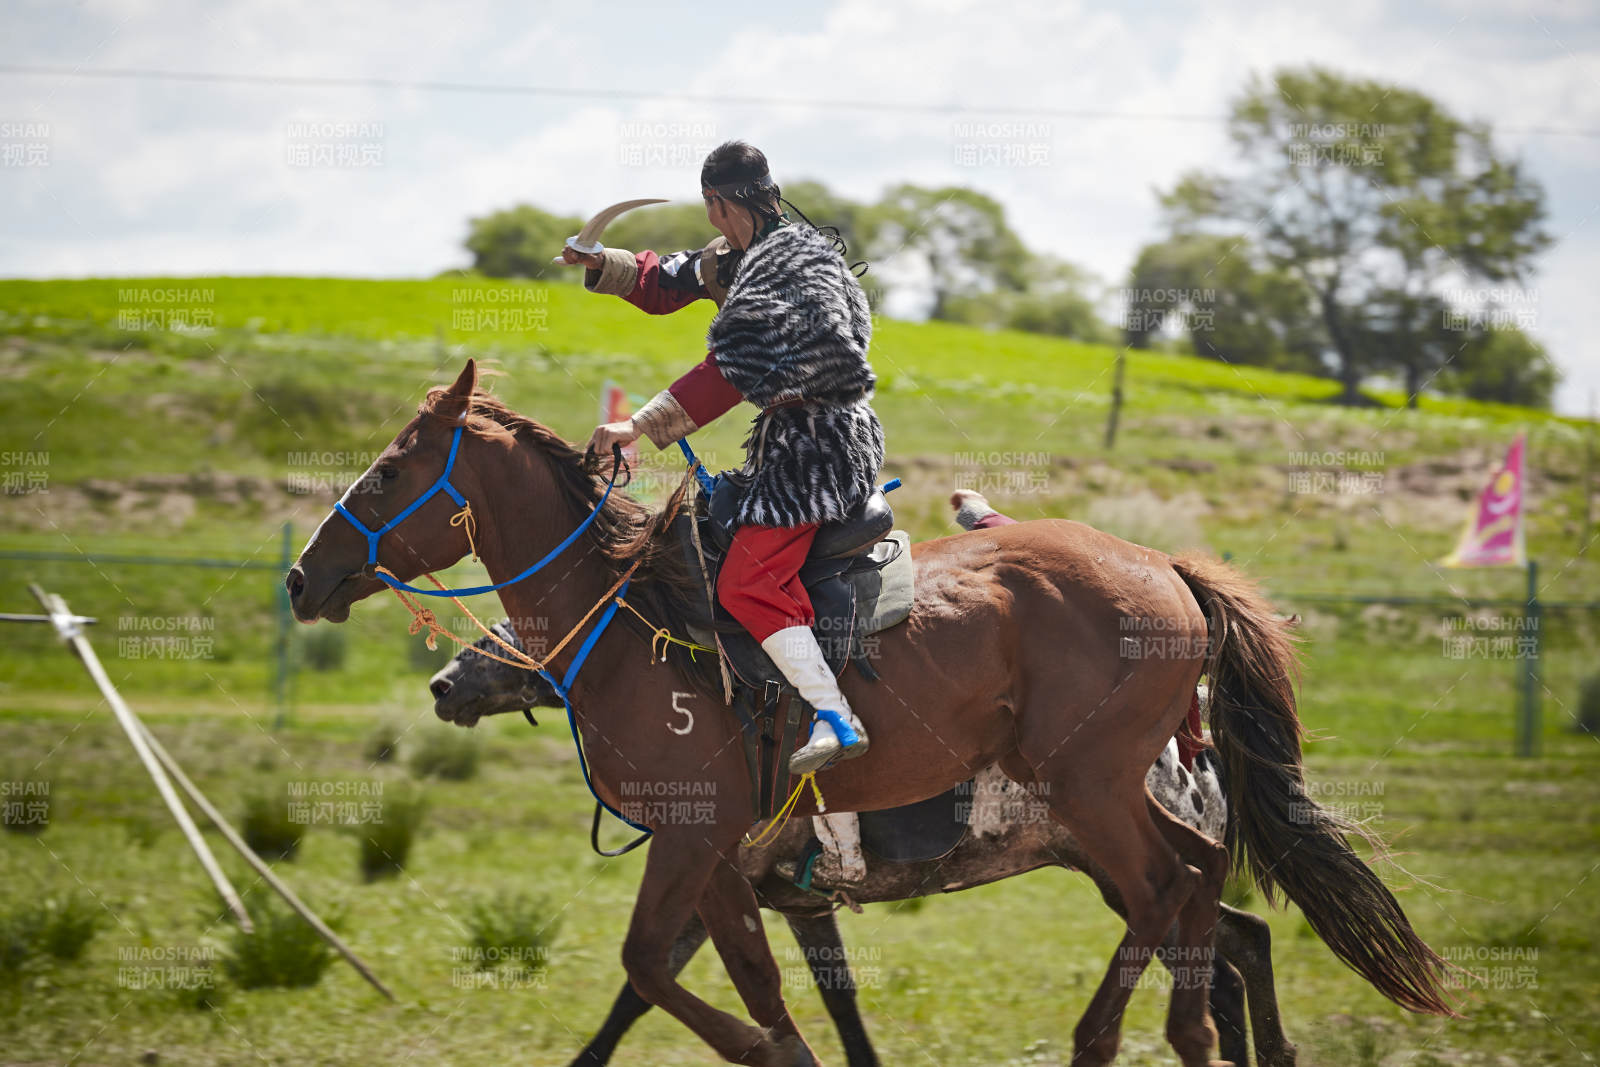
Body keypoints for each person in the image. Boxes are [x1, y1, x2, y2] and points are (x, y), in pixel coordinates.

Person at [564, 140, 881, 776]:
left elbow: (730, 370)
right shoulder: (748, 255)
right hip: (792, 442)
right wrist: (601, 262)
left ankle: (835, 716)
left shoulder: (786, 271)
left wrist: (636, 425)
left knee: (747, 583)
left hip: (816, 454)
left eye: (709, 204)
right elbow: (668, 280)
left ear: (716, 203)